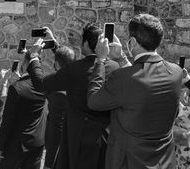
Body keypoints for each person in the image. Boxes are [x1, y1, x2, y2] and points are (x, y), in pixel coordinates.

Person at [87, 14, 183, 169]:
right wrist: (122, 58)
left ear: (132, 42)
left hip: (129, 162)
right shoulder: (176, 72)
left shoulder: (122, 78)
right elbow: (142, 80)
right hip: (164, 162)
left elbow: (93, 101)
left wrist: (100, 60)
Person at [27, 25, 121, 169]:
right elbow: (67, 63)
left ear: (86, 44)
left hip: (78, 141)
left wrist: (34, 57)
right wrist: (54, 43)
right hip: (105, 140)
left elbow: (41, 83)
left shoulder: (75, 69)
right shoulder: (115, 68)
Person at [0, 51, 48, 169]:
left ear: (25, 64)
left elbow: (8, 120)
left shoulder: (17, 88)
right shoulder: (44, 86)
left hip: (16, 145)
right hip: (37, 142)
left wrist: (1, 147)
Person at [44, 46, 75, 169]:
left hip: (57, 147)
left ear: (56, 63)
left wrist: (32, 59)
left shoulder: (55, 86)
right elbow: (66, 60)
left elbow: (57, 129)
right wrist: (55, 46)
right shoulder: (79, 79)